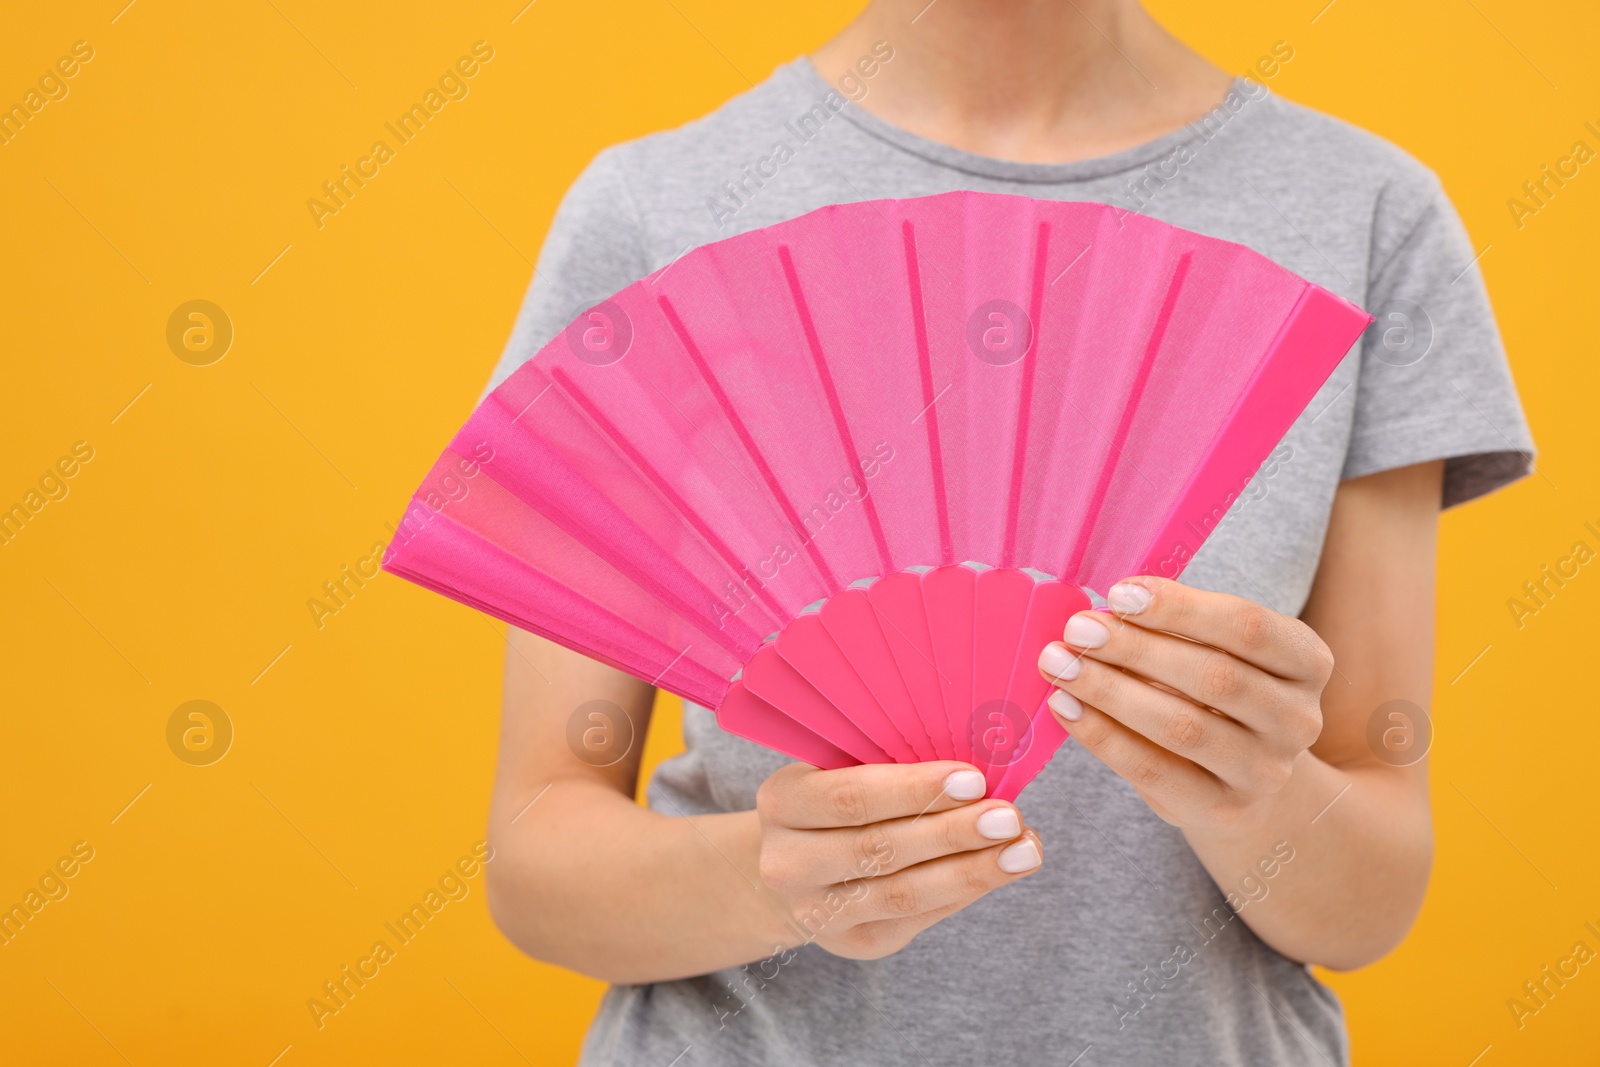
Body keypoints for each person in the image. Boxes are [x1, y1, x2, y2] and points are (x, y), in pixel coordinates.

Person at [479, 2, 1534, 1063]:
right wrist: (775, 876)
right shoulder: (657, 207)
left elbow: (1371, 897)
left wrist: (1257, 789)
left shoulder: (1365, 215)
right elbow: (539, 856)